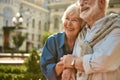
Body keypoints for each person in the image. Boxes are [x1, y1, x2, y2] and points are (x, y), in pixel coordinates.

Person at [61, 0, 120, 80]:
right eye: (79, 0)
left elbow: (103, 62)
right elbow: (71, 58)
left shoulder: (116, 28)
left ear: (101, 2)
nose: (81, 4)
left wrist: (73, 62)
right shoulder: (81, 35)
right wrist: (69, 68)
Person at [40, 3, 85, 80]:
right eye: (67, 19)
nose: (69, 24)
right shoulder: (52, 41)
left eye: (74, 20)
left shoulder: (86, 41)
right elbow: (48, 72)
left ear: (82, 24)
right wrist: (67, 63)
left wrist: (70, 63)